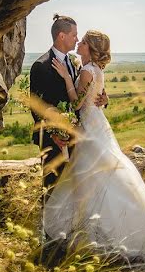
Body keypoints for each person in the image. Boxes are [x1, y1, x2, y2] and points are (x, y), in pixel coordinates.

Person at [42, 30, 145, 267]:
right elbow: (95, 97)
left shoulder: (86, 71)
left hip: (90, 126)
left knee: (92, 176)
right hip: (94, 122)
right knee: (96, 175)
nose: (80, 43)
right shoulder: (93, 68)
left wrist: (66, 77)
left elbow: (77, 103)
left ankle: (97, 235)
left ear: (91, 48)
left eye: (83, 42)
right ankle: (91, 232)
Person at [29, 15, 107, 196]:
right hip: (53, 141)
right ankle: (48, 224)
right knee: (52, 188)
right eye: (74, 35)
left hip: (79, 136)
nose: (77, 39)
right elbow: (36, 106)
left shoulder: (76, 62)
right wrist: (55, 133)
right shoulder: (40, 66)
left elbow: (88, 88)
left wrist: (104, 97)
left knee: (76, 188)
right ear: (62, 36)